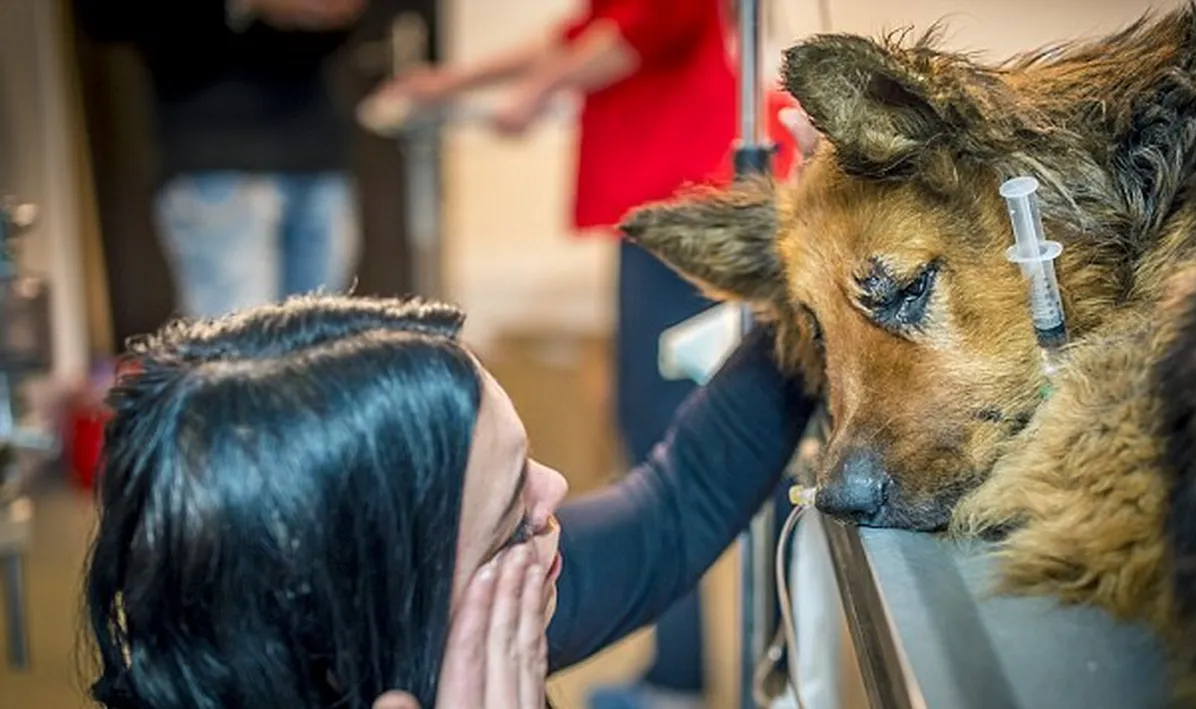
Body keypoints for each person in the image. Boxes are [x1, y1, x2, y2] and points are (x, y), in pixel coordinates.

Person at [83, 293, 816, 709]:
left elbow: (673, 507)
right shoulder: (459, 619)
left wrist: (820, 279)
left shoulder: (459, 608)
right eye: (507, 512)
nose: (556, 487)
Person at [366, 4, 738, 705]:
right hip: (660, 212)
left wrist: (534, 93)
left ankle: (679, 676)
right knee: (644, 421)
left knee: (663, 427)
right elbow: (580, 38)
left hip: (687, 203)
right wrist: (456, 81)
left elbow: (634, 33)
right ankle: (677, 667)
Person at [73, 0, 365, 318]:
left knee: (323, 346)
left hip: (313, 148)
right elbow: (102, 18)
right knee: (236, 350)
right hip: (214, 150)